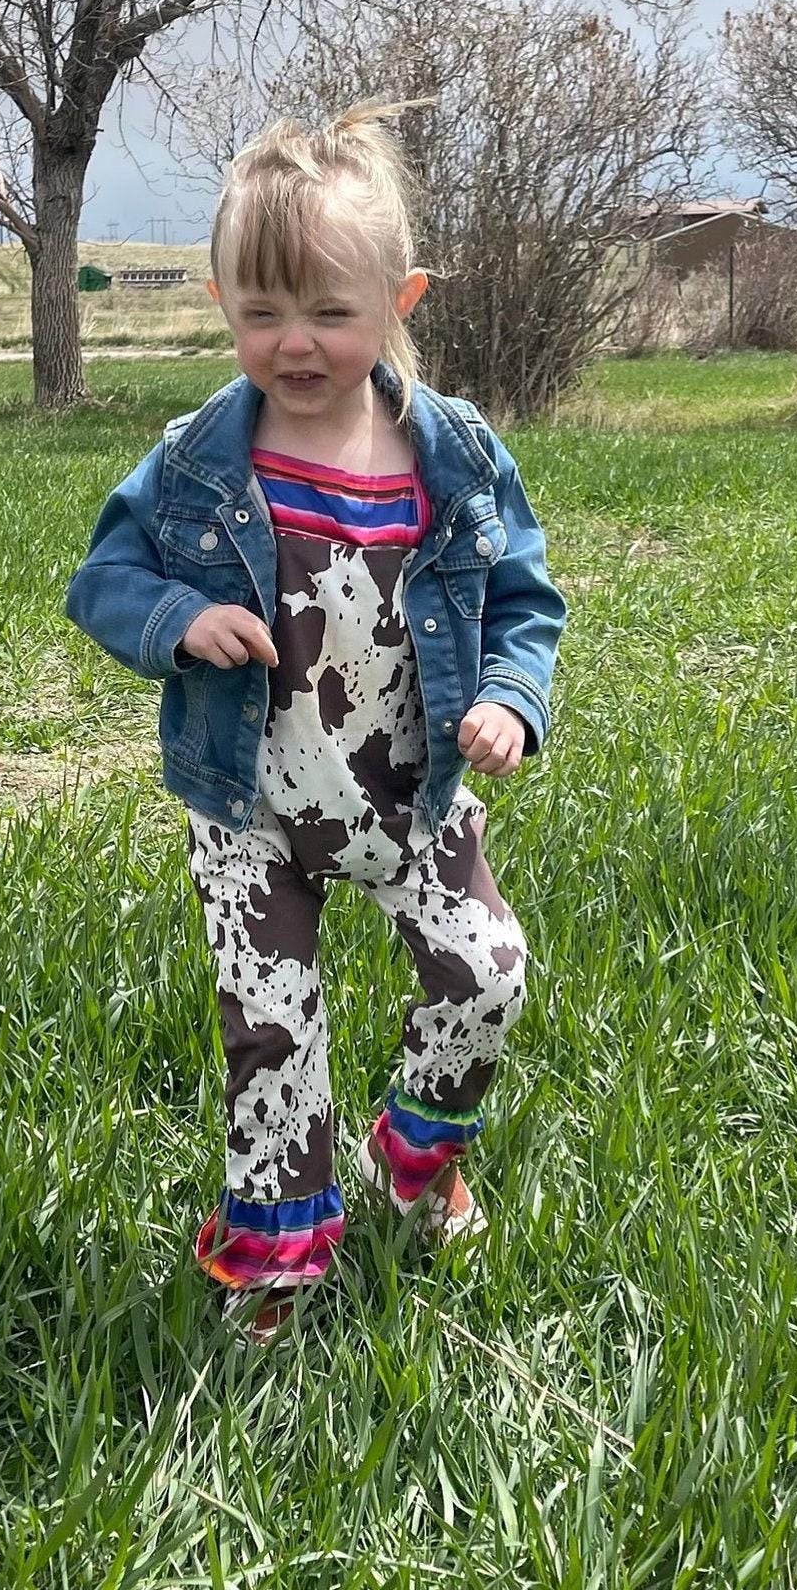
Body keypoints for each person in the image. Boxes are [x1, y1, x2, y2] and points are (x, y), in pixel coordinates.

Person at [64, 102, 567, 1342]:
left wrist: (507, 696)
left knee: (485, 973)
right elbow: (103, 579)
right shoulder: (195, 460)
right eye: (259, 314)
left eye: (330, 315)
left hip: (412, 791)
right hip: (250, 806)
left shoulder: (447, 455)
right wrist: (175, 614)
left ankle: (416, 1152)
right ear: (221, 299)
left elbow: (521, 598)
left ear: (402, 298)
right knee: (270, 1032)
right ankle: (277, 1256)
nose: (293, 345)